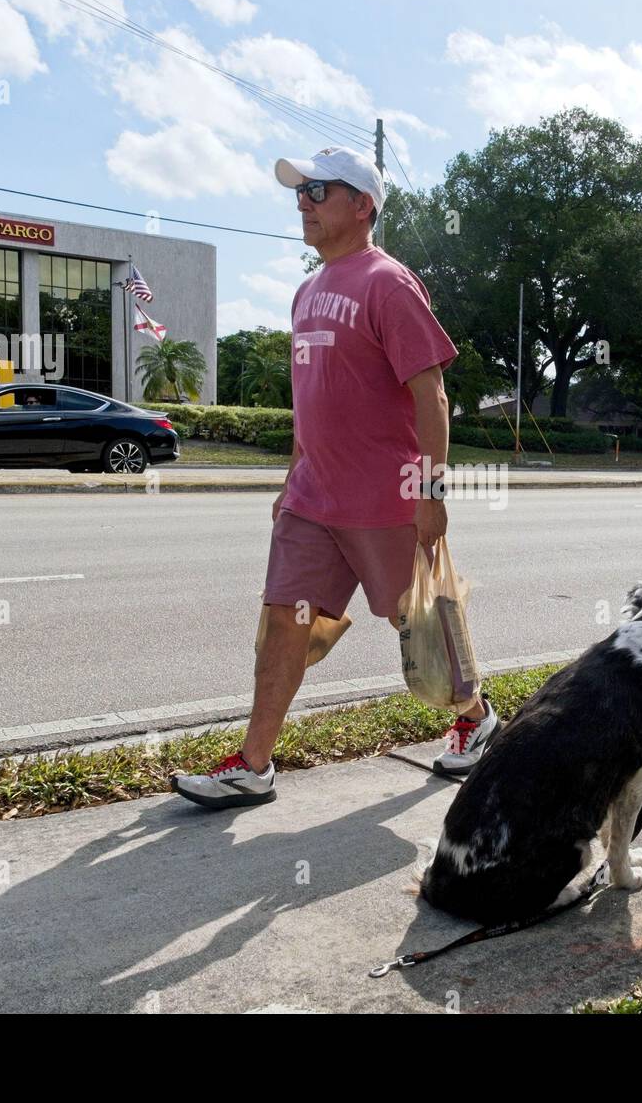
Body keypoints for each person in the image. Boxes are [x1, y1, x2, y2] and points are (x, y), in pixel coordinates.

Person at [172, 146, 497, 809]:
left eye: (318, 191)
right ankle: (254, 765)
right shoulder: (307, 291)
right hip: (312, 498)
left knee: (420, 625)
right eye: (299, 191)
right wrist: (292, 475)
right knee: (285, 622)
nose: (303, 202)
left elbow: (430, 392)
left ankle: (476, 716)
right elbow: (312, 395)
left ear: (362, 204)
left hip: (384, 499)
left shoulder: (388, 282)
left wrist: (432, 493)